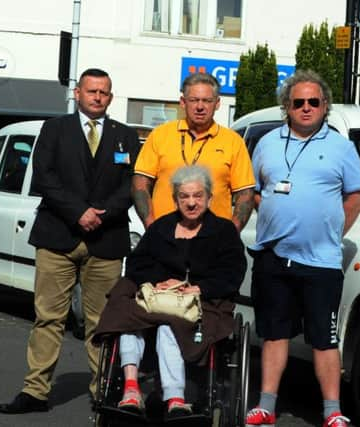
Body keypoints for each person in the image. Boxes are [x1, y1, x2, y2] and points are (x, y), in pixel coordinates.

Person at [0, 68, 141, 414]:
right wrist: (79, 212)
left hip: (106, 240)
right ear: (77, 93)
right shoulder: (54, 129)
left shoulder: (125, 135)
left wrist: (101, 215)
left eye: (104, 92)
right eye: (91, 91)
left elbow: (133, 186)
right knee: (48, 317)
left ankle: (102, 390)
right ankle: (35, 391)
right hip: (58, 235)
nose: (97, 97)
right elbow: (44, 176)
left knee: (102, 321)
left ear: (111, 96)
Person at [245, 70, 360, 427]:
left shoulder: (341, 147)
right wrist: (272, 216)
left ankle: (332, 411)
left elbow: (356, 197)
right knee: (274, 333)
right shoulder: (267, 142)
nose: (307, 108)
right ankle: (266, 405)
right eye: (299, 102)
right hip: (273, 257)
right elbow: (253, 190)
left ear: (324, 105)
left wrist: (331, 231)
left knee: (325, 339)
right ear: (288, 107)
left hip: (321, 262)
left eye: (314, 102)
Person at [93, 164, 247, 419]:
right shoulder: (161, 227)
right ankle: (131, 388)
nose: (191, 203)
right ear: (175, 199)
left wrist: (201, 287)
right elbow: (136, 263)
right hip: (158, 299)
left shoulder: (224, 232)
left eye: (198, 196)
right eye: (184, 196)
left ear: (209, 197)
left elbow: (233, 272)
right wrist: (158, 282)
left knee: (168, 327)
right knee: (126, 312)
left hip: (201, 305)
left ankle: (175, 397)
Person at [132, 72, 255, 232]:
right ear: (183, 102)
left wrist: (230, 234)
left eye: (207, 101)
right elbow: (140, 182)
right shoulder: (160, 135)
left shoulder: (233, 141)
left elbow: (245, 193)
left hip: (212, 239)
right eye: (194, 100)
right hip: (165, 235)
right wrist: (151, 225)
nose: (200, 107)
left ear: (217, 103)